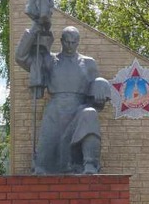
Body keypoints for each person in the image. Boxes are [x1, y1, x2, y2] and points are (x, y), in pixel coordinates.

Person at [14, 23, 112, 174]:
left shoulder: (88, 63)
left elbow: (96, 86)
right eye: (67, 41)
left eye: (74, 42)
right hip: (55, 112)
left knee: (90, 113)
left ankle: (90, 164)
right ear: (61, 41)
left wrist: (101, 87)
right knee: (42, 167)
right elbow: (21, 57)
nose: (70, 46)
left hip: (79, 109)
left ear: (78, 42)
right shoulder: (50, 60)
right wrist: (33, 30)